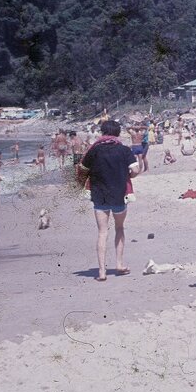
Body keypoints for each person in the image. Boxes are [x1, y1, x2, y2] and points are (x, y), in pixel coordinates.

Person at [79, 120, 140, 281]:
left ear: (102, 132)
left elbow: (83, 169)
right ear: (118, 133)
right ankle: (119, 265)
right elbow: (135, 169)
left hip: (99, 195)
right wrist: (128, 175)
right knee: (119, 228)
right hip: (119, 193)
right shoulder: (124, 150)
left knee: (102, 232)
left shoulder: (94, 150)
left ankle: (101, 271)